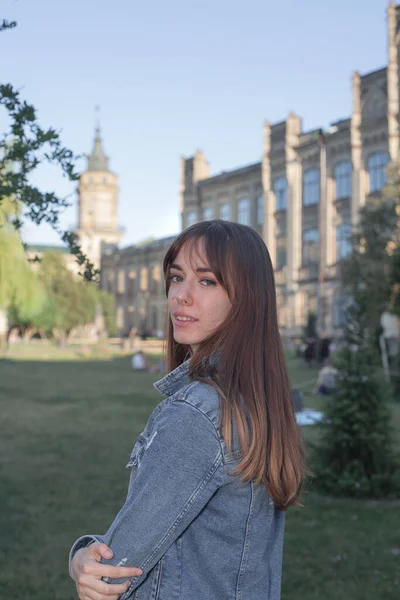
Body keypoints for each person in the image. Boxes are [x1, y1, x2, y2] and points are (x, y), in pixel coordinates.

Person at [69, 220, 306, 600]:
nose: (180, 295)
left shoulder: (197, 415)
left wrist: (81, 556)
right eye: (176, 277)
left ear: (246, 298)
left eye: (207, 281)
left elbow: (112, 572)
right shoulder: (254, 401)